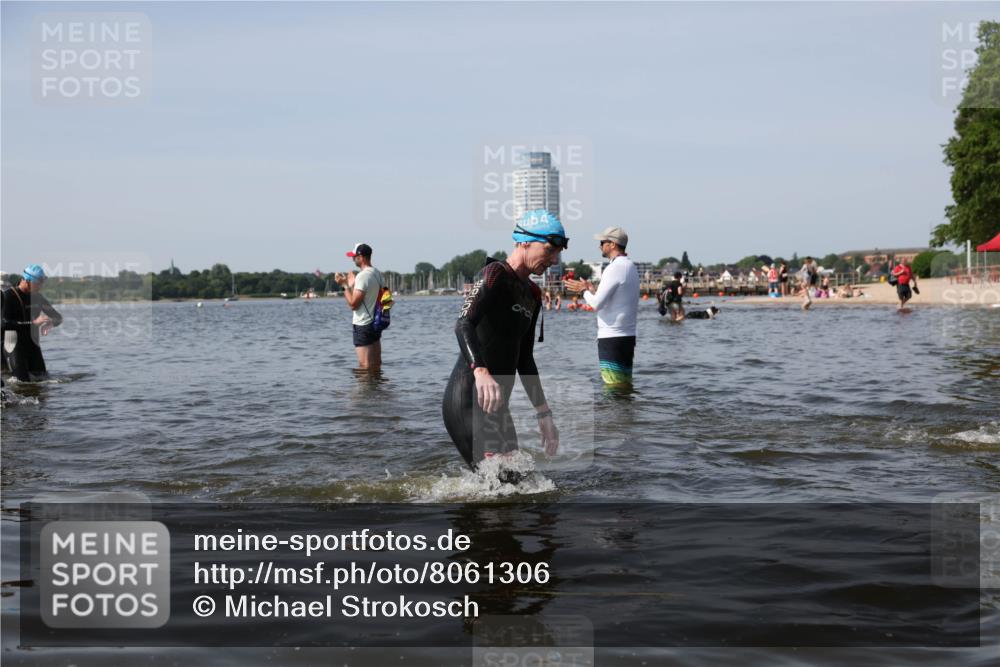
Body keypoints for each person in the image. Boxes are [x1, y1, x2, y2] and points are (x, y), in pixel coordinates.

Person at [442, 209, 563, 473]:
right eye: (549, 250)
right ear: (524, 241)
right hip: (469, 398)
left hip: (497, 406)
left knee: (516, 482)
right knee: (500, 485)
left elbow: (525, 358)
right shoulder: (494, 273)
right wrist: (481, 370)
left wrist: (544, 413)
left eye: (558, 253)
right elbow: (463, 323)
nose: (554, 259)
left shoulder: (532, 293)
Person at [565, 226, 640, 387]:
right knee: (623, 385)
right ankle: (627, 412)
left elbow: (596, 304)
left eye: (602, 242)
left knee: (613, 386)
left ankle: (617, 413)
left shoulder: (614, 268)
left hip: (612, 337)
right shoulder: (630, 266)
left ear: (612, 244)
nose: (599, 245)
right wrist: (592, 290)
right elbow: (614, 300)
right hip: (627, 336)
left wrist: (583, 290)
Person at [1, 264, 63, 382]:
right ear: (28, 281)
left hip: (33, 345)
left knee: (43, 381)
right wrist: (33, 323)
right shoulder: (8, 296)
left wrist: (51, 324)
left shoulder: (37, 297)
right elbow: (3, 325)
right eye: (39, 283)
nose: (41, 286)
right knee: (22, 383)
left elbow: (58, 317)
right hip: (13, 345)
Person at [334, 243, 384, 370]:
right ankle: (377, 388)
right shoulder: (377, 273)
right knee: (376, 363)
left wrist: (344, 285)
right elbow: (382, 299)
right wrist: (353, 285)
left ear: (361, 257)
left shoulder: (363, 276)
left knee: (364, 365)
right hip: (376, 323)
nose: (352, 259)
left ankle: (365, 390)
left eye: (354, 256)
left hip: (363, 325)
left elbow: (353, 305)